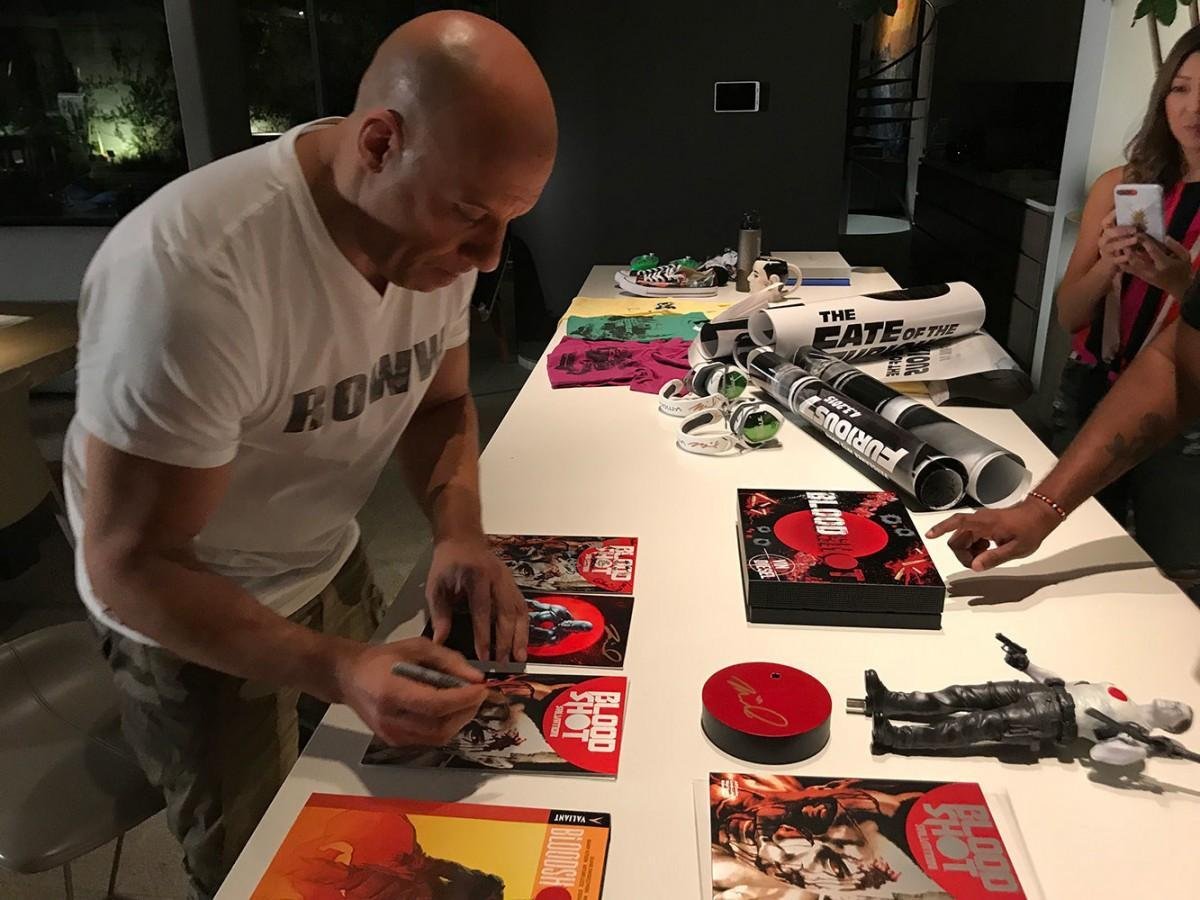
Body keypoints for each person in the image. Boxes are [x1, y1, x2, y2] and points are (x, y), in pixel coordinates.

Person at [63, 12, 556, 898]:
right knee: (273, 871)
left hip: (326, 550)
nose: (488, 257)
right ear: (379, 144)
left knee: (376, 817)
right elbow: (130, 565)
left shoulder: (431, 242)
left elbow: (440, 402)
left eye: (509, 221)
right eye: (471, 215)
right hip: (194, 602)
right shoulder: (191, 275)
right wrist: (334, 665)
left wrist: (458, 532)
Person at [1046, 26, 1200, 584]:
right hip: (1090, 384)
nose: (1193, 109)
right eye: (1180, 89)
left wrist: (1183, 286)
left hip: (1184, 407)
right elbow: (1069, 316)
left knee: (1171, 573)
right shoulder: (1120, 186)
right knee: (1072, 547)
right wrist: (1107, 266)